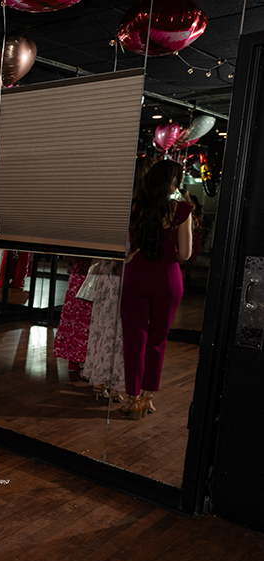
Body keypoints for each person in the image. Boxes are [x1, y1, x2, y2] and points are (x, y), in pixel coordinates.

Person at [120, 160, 192, 419]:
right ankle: (147, 397)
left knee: (134, 338)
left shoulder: (135, 205)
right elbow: (185, 254)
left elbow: (119, 242)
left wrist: (128, 258)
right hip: (167, 277)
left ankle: (132, 399)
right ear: (173, 182)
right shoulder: (181, 209)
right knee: (158, 339)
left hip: (136, 274)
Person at [82, 157, 153, 404]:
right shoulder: (140, 208)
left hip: (109, 270)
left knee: (104, 324)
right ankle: (111, 383)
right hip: (124, 271)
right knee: (120, 328)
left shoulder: (118, 204)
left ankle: (100, 379)